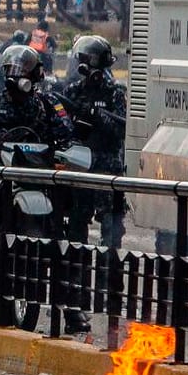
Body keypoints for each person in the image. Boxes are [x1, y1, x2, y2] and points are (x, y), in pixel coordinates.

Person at [0, 45, 76, 330]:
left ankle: (68, 301)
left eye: (22, 70)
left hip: (38, 174)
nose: (16, 76)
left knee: (65, 228)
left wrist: (65, 152)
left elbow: (65, 132)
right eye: (12, 70)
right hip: (3, 173)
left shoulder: (47, 104)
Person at [60, 35, 128, 250]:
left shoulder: (115, 93)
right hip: (80, 164)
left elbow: (121, 129)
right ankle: (76, 276)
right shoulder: (73, 91)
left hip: (107, 167)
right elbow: (63, 128)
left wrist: (96, 115)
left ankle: (109, 277)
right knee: (76, 224)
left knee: (111, 227)